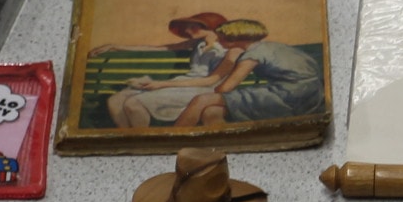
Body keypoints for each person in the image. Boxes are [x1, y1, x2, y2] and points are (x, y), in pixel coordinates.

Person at [172, 18, 323, 128]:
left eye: (221, 38)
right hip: (311, 93)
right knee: (212, 111)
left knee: (202, 100)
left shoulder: (252, 55)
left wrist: (214, 89)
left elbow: (225, 88)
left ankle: (177, 137)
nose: (218, 41)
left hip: (288, 97)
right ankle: (223, 143)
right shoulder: (271, 46)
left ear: (233, 39)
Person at [102, 12, 230, 129]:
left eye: (193, 27)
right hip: (181, 84)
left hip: (202, 90)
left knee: (133, 104)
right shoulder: (198, 43)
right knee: (116, 101)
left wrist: (162, 84)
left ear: (211, 27)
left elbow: (210, 81)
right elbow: (160, 48)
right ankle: (129, 139)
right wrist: (116, 46)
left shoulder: (227, 50)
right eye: (188, 27)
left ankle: (143, 141)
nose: (187, 30)